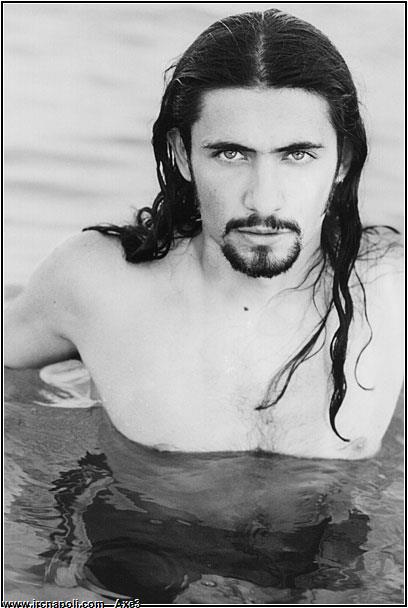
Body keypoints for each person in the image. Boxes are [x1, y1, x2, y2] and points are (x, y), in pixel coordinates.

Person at [5, 8, 403, 459]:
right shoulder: (96, 283)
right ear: (182, 154)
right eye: (231, 155)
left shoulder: (391, 287)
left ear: (343, 160)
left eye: (297, 155)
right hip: (133, 507)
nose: (263, 199)